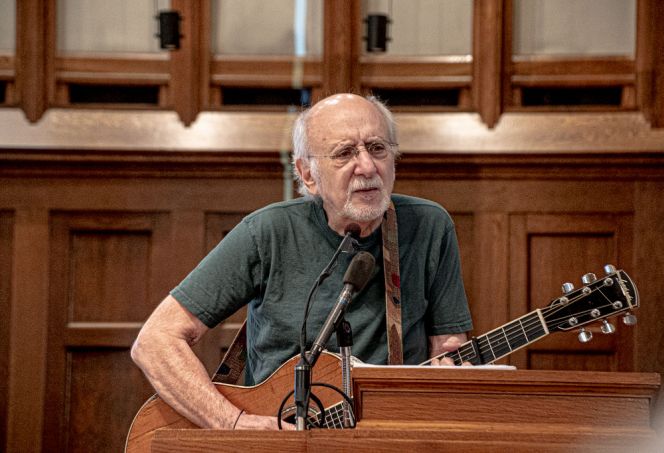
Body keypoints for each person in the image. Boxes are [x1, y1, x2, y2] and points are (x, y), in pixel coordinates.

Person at [131, 93, 473, 430]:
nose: (367, 167)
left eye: (378, 148)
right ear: (307, 173)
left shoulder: (429, 225)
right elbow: (155, 341)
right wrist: (234, 422)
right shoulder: (266, 232)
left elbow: (447, 348)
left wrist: (452, 369)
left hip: (384, 434)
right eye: (345, 153)